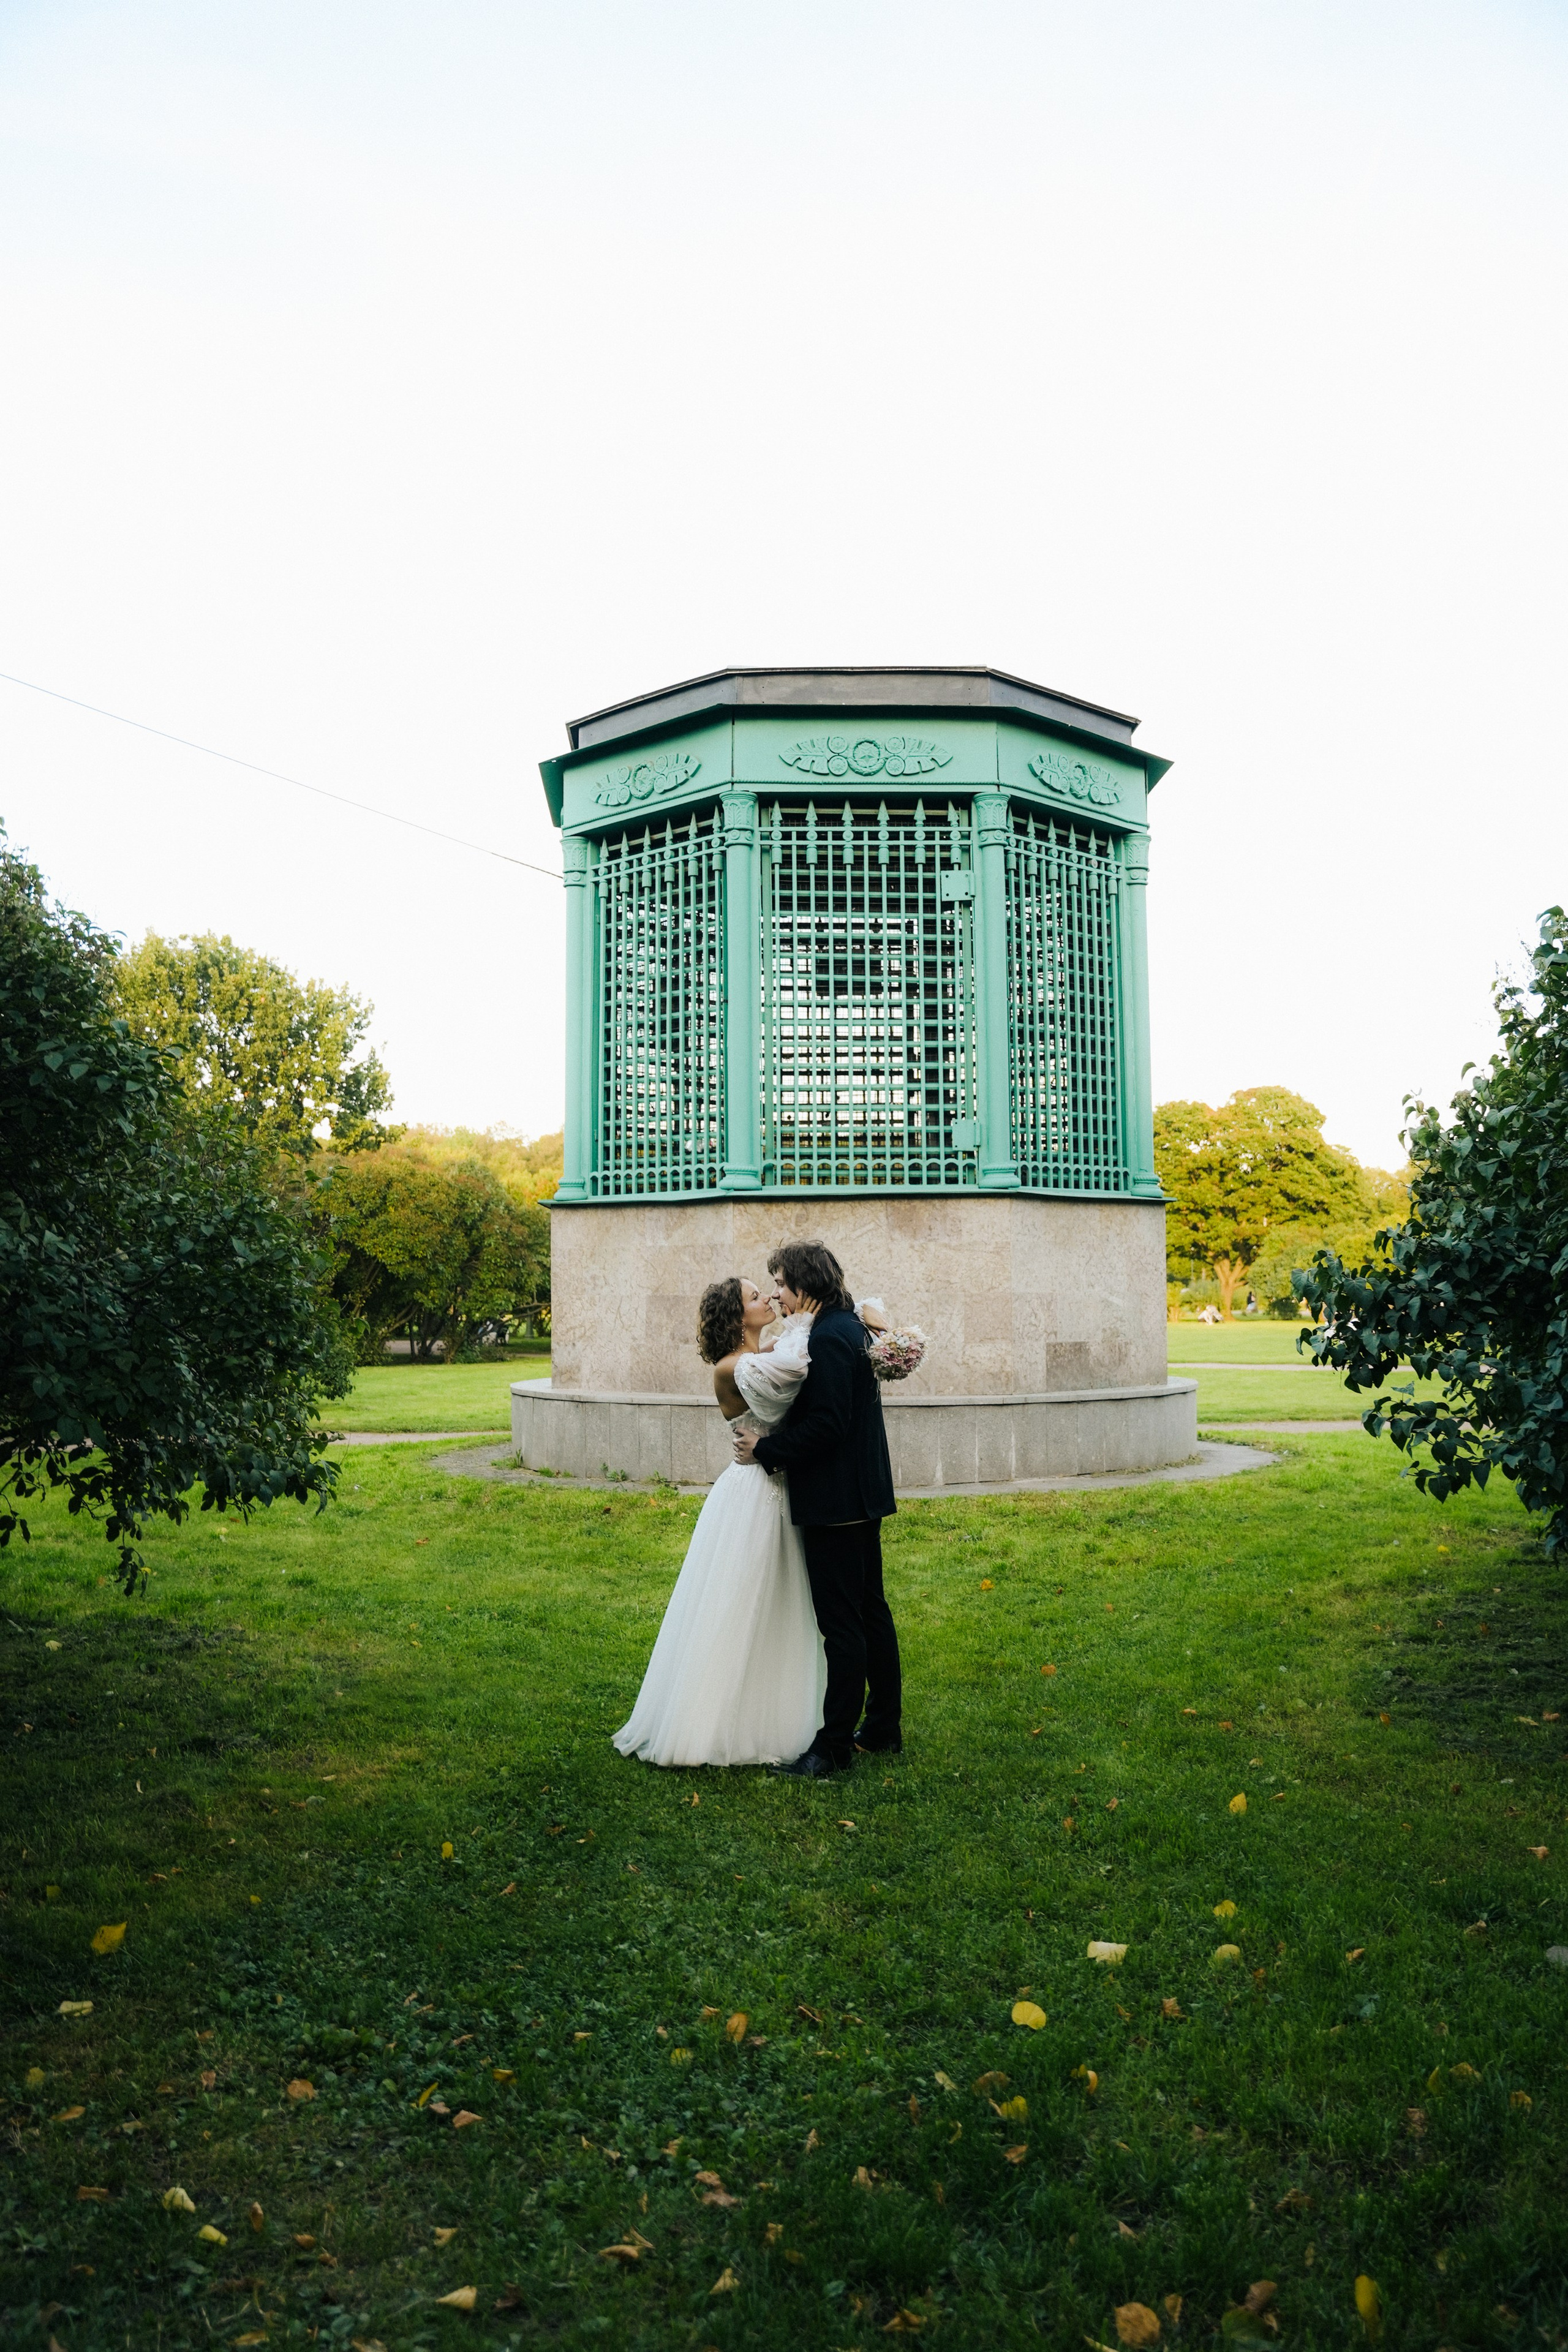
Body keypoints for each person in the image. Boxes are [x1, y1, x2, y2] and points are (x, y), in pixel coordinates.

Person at [611, 1278, 824, 1768]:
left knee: (781, 1600)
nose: (768, 1299)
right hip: (755, 1493)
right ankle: (714, 1723)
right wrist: (805, 1322)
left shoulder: (761, 1353)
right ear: (736, 1316)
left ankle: (776, 1711)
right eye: (755, 1297)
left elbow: (788, 1361)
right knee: (740, 1601)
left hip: (779, 1482)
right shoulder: (733, 1367)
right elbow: (792, 1375)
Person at [731, 1240, 900, 1779]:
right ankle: (883, 1727)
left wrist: (766, 1450)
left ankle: (832, 1749)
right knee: (870, 1611)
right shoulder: (849, 1325)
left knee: (843, 1626)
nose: (777, 1294)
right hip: (862, 1494)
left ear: (806, 1283)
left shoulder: (828, 1337)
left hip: (837, 1501)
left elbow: (828, 1424)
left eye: (781, 1283)